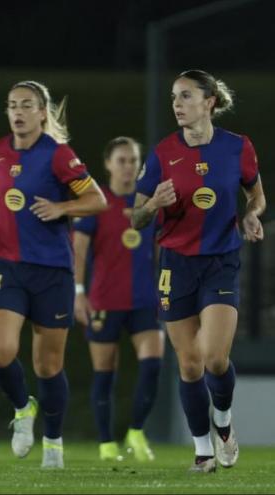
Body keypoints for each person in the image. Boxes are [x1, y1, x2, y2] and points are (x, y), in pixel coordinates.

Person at [132, 70, 266, 473]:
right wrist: (153, 203)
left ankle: (223, 421)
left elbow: (256, 194)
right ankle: (203, 451)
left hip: (221, 262)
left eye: (186, 96)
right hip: (175, 264)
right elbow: (136, 218)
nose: (177, 104)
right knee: (189, 363)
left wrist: (253, 215)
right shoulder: (162, 153)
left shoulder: (237, 147)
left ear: (209, 102)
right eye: (174, 97)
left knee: (214, 358)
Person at [0, 80, 106, 469]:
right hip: (7, 266)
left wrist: (62, 209)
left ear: (42, 112)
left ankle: (55, 442)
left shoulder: (59, 156)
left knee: (48, 365)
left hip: (52, 272)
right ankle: (21, 408)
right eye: (12, 105)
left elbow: (97, 200)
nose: (18, 112)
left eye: (27, 105)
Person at [72, 137, 163, 462]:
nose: (129, 167)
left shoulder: (148, 205)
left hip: (144, 300)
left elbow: (158, 252)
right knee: (104, 372)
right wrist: (78, 293)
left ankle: (136, 431)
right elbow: (79, 251)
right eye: (122, 160)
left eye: (134, 161)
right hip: (104, 301)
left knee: (153, 365)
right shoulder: (97, 202)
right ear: (108, 164)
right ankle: (107, 443)